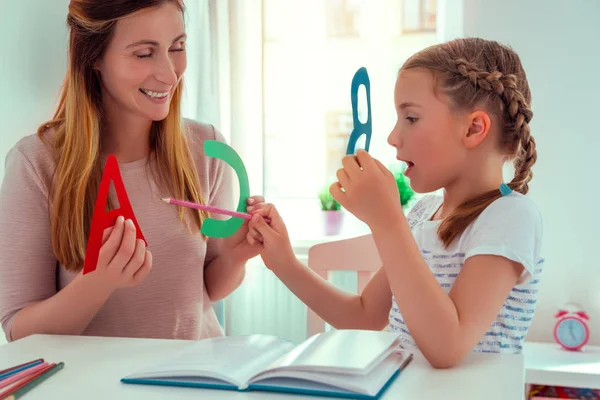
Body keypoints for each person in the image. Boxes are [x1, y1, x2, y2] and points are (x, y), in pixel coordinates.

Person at [247, 38, 544, 368]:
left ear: (474, 128)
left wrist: (387, 221)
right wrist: (284, 262)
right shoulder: (423, 213)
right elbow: (363, 316)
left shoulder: (510, 216)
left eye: (412, 118)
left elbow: (448, 346)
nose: (392, 137)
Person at [0, 0, 264, 342]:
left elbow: (207, 290)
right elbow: (18, 330)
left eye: (177, 47)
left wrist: (235, 257)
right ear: (93, 57)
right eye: (144, 53)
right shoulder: (36, 163)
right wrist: (99, 282)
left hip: (196, 381)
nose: (170, 74)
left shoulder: (206, 148)